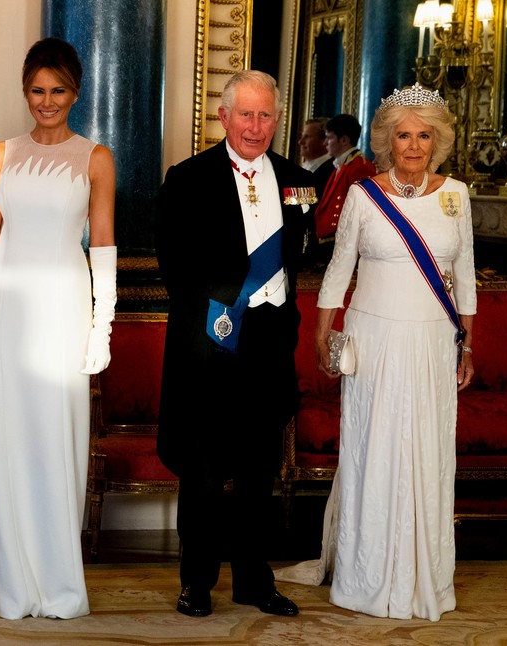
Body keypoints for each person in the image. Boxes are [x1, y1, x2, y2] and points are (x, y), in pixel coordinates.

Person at [0, 37, 116, 620]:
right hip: (9, 311)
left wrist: (102, 329)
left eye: (58, 91)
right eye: (36, 91)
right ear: (25, 92)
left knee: (58, 443)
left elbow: (103, 249)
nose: (46, 102)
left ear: (75, 93)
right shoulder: (0, 153)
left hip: (65, 310)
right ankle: (14, 580)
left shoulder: (96, 157)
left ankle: (57, 582)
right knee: (8, 442)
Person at [307, 83, 475, 621]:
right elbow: (339, 270)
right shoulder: (363, 195)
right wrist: (320, 333)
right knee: (373, 452)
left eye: (424, 135)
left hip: (431, 341)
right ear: (386, 140)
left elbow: (465, 277)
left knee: (426, 453)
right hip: (373, 342)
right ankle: (365, 578)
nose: (413, 145)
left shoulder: (457, 195)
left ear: (438, 141)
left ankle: (423, 578)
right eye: (403, 135)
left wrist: (466, 342)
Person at [155, 69, 313, 619]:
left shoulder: (297, 182)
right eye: (244, 114)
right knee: (203, 471)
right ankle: (197, 583)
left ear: (277, 118)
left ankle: (253, 580)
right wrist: (225, 308)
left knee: (257, 471)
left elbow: (301, 261)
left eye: (265, 114)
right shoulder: (188, 178)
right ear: (222, 117)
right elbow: (174, 266)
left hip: (270, 347)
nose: (255, 125)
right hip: (211, 341)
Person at [312, 113, 376, 265]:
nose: (325, 143)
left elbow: (363, 213)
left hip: (342, 244)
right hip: (328, 243)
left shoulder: (360, 167)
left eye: (329, 138)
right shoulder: (341, 166)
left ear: (344, 140)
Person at [296, 117, 333, 264]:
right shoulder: (305, 167)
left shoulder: (330, 170)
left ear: (324, 141)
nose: (301, 142)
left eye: (307, 137)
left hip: (315, 246)